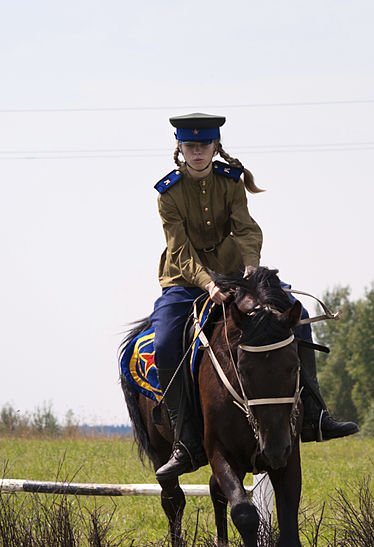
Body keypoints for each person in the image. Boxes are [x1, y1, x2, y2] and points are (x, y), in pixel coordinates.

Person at [149, 112, 358, 481]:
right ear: (179, 148)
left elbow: (246, 228)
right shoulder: (167, 193)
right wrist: (208, 284)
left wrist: (250, 267)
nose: (198, 152)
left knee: (295, 311)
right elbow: (178, 248)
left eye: (204, 145)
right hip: (183, 281)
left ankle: (314, 414)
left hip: (234, 274)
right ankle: (185, 441)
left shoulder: (230, 182)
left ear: (216, 147)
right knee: (165, 340)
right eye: (190, 146)